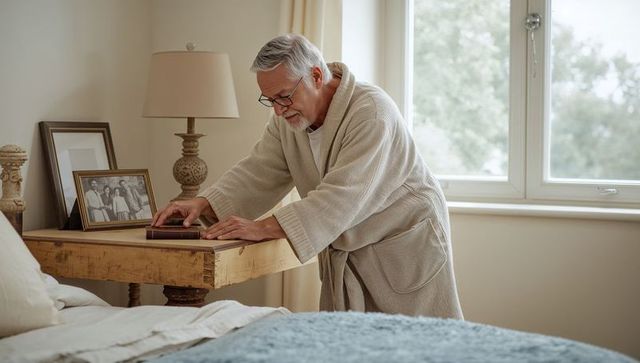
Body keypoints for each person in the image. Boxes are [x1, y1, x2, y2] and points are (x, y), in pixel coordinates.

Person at [153, 34, 463, 318]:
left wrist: (265, 227)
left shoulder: (373, 113)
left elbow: (343, 195)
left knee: (424, 348)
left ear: (315, 75)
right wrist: (203, 203)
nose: (277, 110)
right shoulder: (287, 121)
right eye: (270, 100)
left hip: (405, 246)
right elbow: (259, 170)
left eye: (284, 96)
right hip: (352, 250)